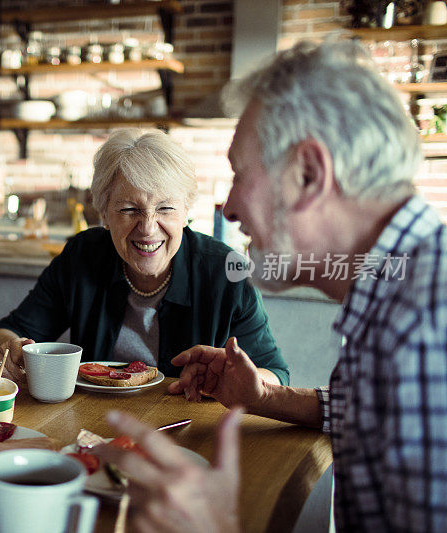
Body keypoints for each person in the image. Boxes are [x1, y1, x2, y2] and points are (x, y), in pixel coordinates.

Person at [95, 40, 447, 532]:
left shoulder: (420, 332)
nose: (229, 208)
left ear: (308, 173)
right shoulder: (405, 296)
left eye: (241, 175)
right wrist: (263, 396)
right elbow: (362, 410)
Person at [0, 128, 289, 387]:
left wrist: (232, 379)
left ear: (186, 212)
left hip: (190, 433)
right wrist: (7, 349)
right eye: (130, 209)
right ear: (104, 213)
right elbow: (3, 332)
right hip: (93, 425)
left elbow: (275, 373)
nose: (147, 228)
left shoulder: (227, 271)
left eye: (165, 208)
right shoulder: (82, 256)